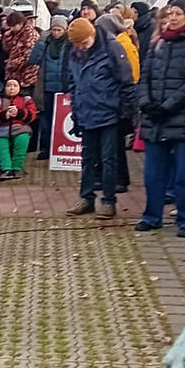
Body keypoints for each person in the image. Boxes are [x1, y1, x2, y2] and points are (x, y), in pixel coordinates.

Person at [135, 0, 185, 237]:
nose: (173, 17)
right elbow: (144, 77)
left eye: (178, 13)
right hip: (155, 120)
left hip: (184, 120)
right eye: (170, 13)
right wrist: (146, 103)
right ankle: (152, 216)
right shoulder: (158, 44)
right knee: (153, 174)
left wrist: (168, 106)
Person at [64, 17, 136, 219]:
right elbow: (73, 83)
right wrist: (76, 111)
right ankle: (87, 198)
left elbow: (126, 81)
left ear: (93, 35)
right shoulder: (75, 53)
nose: (81, 47)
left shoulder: (112, 48)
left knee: (108, 159)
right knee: (87, 159)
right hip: (86, 113)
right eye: (77, 44)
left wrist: (127, 114)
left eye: (84, 43)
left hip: (109, 114)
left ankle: (108, 201)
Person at [95, 13, 140, 193]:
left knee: (116, 144)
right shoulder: (116, 43)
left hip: (120, 100)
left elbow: (131, 76)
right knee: (112, 143)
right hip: (116, 99)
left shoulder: (121, 45)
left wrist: (128, 103)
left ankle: (121, 179)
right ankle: (112, 177)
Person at [29, 14, 68, 160]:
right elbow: (33, 60)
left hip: (64, 88)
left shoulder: (69, 44)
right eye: (54, 29)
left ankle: (60, 147)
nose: (56, 33)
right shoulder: (45, 43)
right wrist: (40, 44)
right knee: (46, 119)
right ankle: (45, 148)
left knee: (63, 120)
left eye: (59, 30)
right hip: (47, 88)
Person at [0, 79, 37, 181]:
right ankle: (6, 169)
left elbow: (33, 114)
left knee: (22, 141)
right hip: (1, 130)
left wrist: (19, 113)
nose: (12, 88)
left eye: (15, 85)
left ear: (19, 88)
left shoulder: (26, 100)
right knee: (1, 146)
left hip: (21, 128)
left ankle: (16, 168)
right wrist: (4, 115)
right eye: (9, 85)